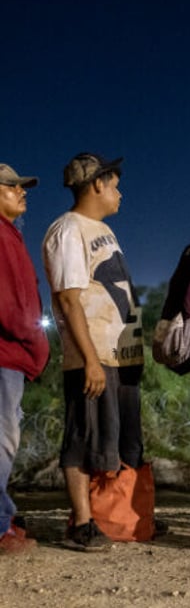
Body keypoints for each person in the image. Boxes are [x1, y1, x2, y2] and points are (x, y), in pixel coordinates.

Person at [42, 153, 146, 552]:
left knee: (120, 441)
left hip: (121, 356)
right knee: (84, 437)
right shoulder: (68, 230)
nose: (119, 193)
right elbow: (69, 300)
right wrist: (88, 359)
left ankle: (122, 516)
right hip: (95, 354)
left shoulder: (102, 230)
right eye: (115, 185)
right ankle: (82, 523)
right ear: (96, 185)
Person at [0, 163, 49, 555]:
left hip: (12, 356)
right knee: (0, 441)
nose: (22, 191)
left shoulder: (10, 234)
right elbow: (9, 306)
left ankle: (3, 517)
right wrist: (34, 338)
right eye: (12, 186)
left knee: (5, 438)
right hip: (5, 354)